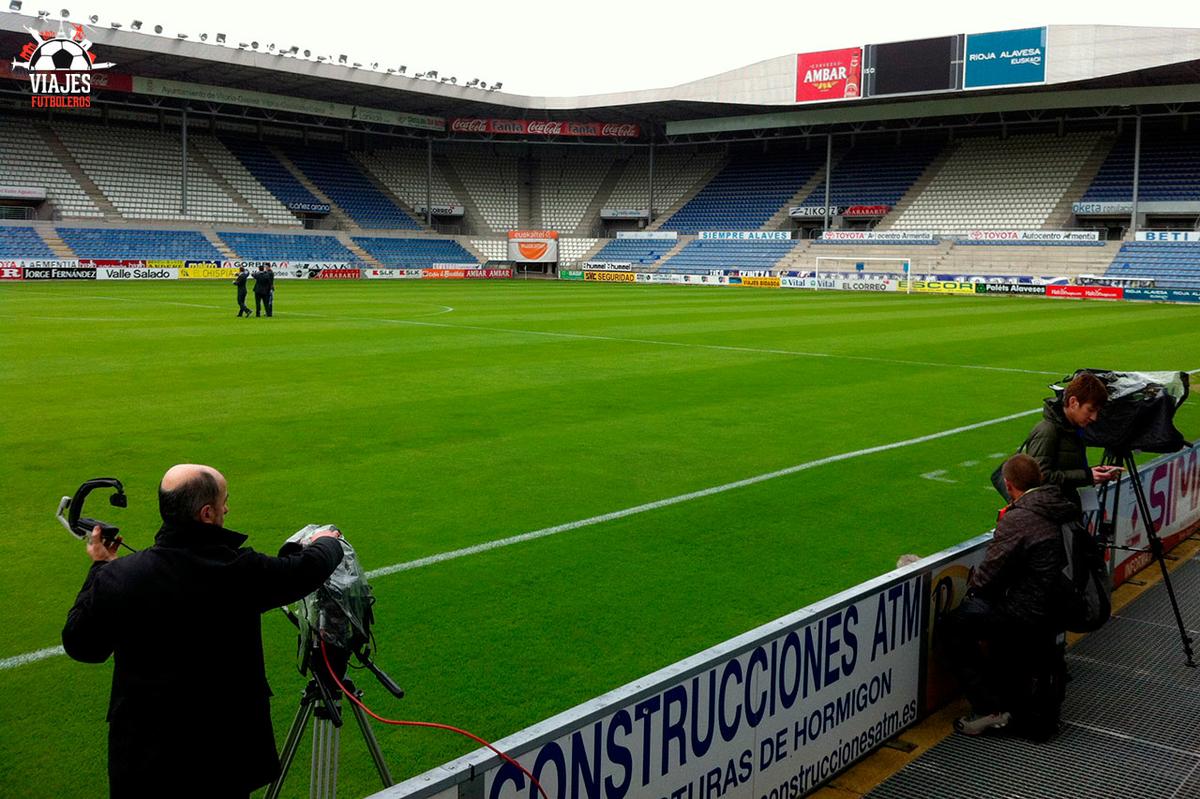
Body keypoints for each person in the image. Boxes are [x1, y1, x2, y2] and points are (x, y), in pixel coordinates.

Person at [62, 464, 344, 798]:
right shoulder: (238, 570)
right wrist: (328, 541)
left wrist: (100, 568)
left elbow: (82, 645)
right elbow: (303, 571)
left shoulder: (119, 576)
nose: (227, 508)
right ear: (206, 513)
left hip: (145, 761)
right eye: (224, 500)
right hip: (222, 758)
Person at [942, 454, 1076, 738]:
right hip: (1056, 605)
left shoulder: (1020, 517)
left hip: (1027, 610)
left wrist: (975, 592)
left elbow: (986, 577)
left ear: (1008, 484)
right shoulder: (1058, 506)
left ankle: (989, 709)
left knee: (953, 626)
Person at [1024, 371, 1121, 509]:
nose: (1094, 417)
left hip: (1063, 508)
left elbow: (1064, 469)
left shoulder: (1072, 429)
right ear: (1073, 402)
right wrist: (1086, 476)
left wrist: (1095, 472)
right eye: (1090, 410)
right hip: (1050, 513)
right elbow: (1040, 478)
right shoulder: (1047, 431)